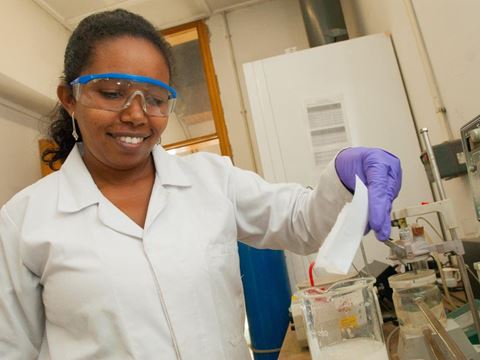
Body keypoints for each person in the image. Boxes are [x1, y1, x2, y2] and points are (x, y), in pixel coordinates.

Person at [0, 9, 401, 360]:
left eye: (156, 99)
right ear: (69, 98)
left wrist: (345, 175)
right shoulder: (24, 222)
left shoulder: (213, 181)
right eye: (112, 93)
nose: (138, 115)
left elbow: (302, 223)